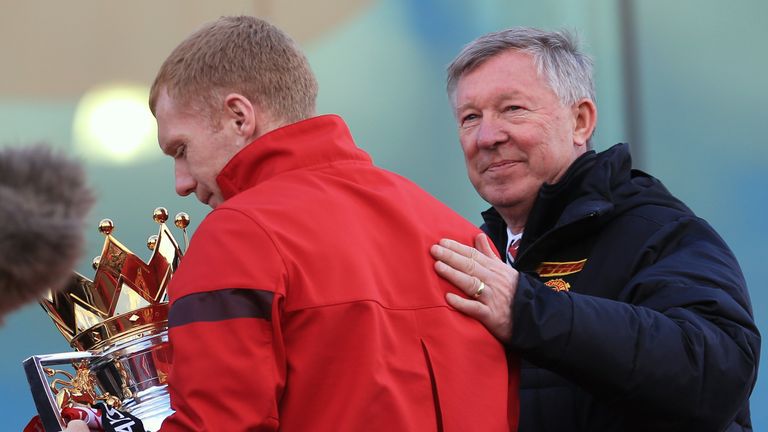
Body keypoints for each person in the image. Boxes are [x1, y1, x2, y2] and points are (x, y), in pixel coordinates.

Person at [136, 15, 514, 432]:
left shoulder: (237, 236)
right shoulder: (460, 235)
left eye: (181, 149)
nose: (181, 183)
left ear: (239, 117)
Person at [429, 27, 761, 431]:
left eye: (513, 109)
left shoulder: (660, 231)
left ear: (580, 122)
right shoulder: (474, 255)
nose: (487, 137)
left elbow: (715, 374)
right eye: (470, 117)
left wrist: (528, 310)